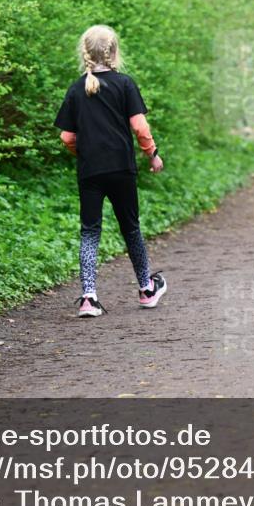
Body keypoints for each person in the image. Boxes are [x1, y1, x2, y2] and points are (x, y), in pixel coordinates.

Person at [54, 25, 168, 318]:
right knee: (131, 228)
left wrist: (84, 153)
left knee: (90, 232)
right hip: (120, 168)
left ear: (85, 53)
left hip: (90, 170)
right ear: (114, 51)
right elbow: (140, 127)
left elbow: (67, 137)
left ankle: (89, 298)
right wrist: (152, 154)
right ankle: (146, 289)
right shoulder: (124, 84)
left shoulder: (76, 89)